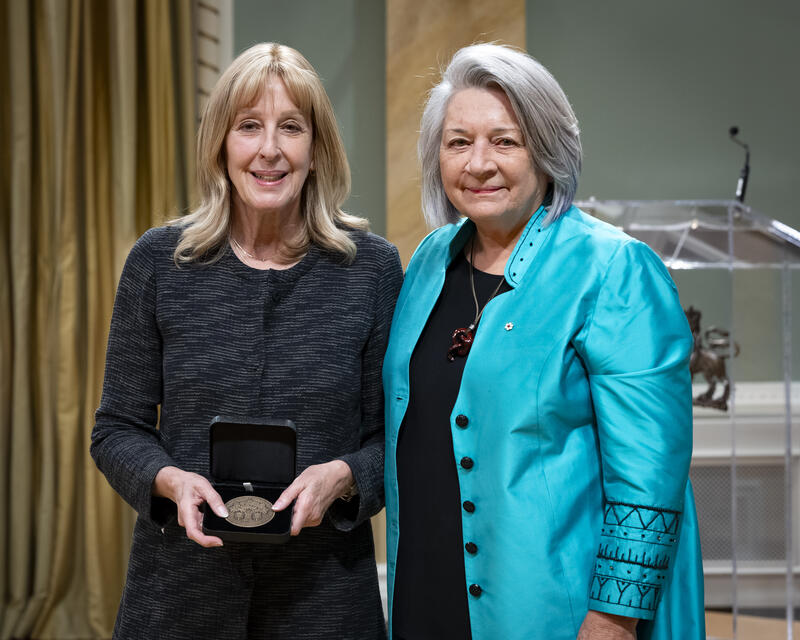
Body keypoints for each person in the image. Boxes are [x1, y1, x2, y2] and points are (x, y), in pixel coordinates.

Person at [382, 43, 705, 640]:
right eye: (458, 142)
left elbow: (650, 478)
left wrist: (612, 620)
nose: (479, 164)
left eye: (505, 141)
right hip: (424, 595)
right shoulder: (429, 262)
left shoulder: (613, 270)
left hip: (551, 613)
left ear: (548, 149)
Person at [91, 43, 402, 639]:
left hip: (326, 598)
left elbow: (395, 438)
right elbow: (116, 428)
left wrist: (344, 475)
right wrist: (168, 480)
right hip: (180, 593)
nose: (269, 149)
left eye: (291, 127)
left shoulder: (373, 271)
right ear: (220, 145)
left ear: (317, 149)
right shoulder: (159, 261)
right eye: (249, 127)